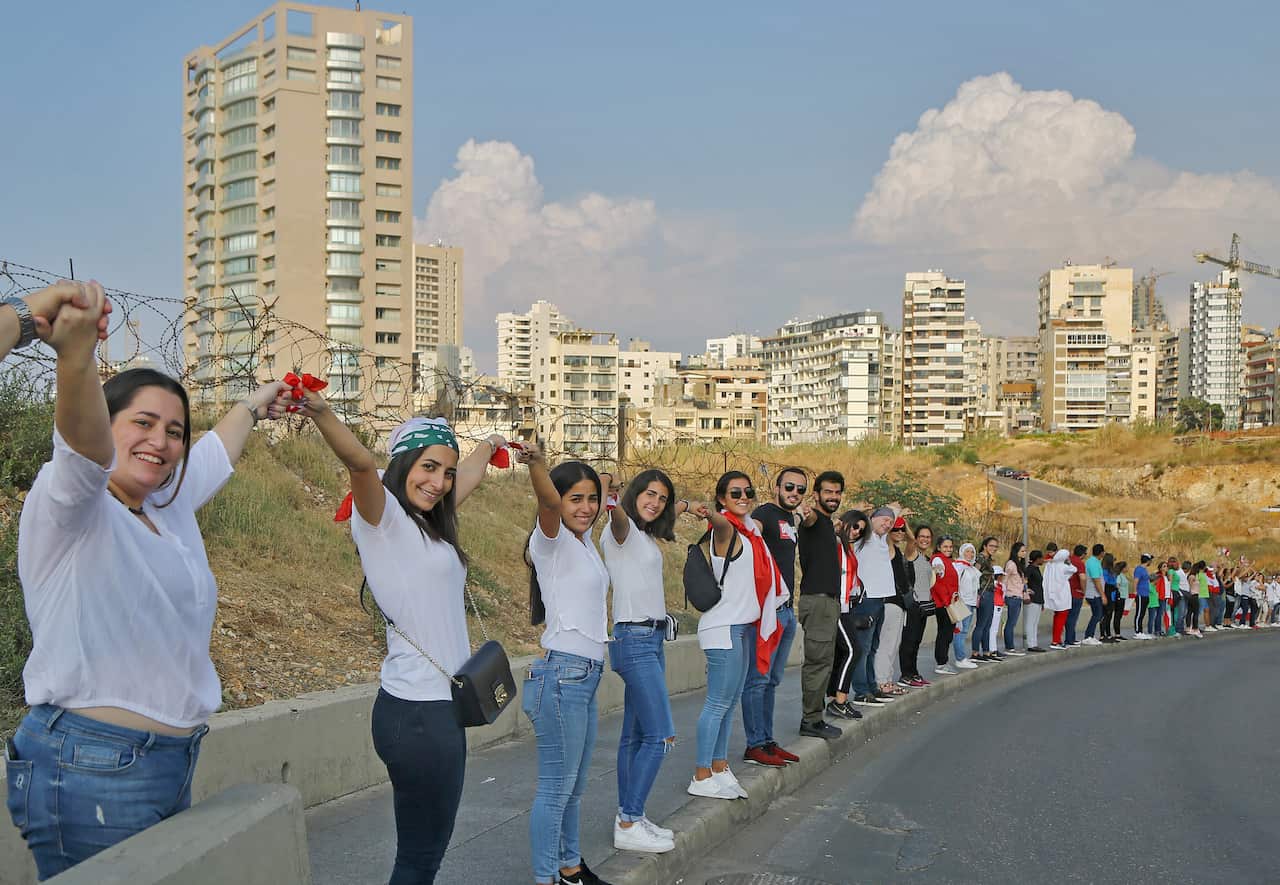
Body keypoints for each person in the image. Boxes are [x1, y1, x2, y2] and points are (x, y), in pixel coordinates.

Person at [10, 279, 288, 880]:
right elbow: (82, 449)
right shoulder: (73, 501)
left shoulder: (170, 507)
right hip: (87, 766)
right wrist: (75, 357)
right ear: (104, 422)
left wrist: (259, 401)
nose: (160, 442)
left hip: (167, 762)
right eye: (142, 423)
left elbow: (220, 447)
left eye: (174, 431)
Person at [303, 391, 505, 883]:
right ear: (403, 464)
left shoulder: (427, 522)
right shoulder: (384, 520)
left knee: (421, 854)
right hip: (420, 715)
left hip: (428, 708)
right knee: (419, 859)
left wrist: (491, 444)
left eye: (446, 472)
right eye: (428, 467)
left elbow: (469, 476)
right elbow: (358, 464)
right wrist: (321, 411)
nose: (438, 483)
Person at [521, 449, 612, 885]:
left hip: (585, 677)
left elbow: (601, 487)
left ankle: (571, 868)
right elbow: (548, 503)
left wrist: (602, 484)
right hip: (563, 678)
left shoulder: (584, 543)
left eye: (592, 499)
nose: (587, 507)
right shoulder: (550, 541)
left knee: (573, 788)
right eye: (576, 499)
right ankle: (545, 878)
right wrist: (538, 465)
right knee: (556, 790)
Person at [598, 470, 680, 853]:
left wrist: (684, 506)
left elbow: (664, 512)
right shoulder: (623, 529)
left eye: (662, 498)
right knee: (660, 736)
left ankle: (630, 815)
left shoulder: (643, 536)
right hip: (634, 640)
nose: (656, 502)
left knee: (633, 737)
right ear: (634, 494)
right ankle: (629, 820)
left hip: (652, 639)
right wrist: (610, 497)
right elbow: (615, 518)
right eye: (650, 494)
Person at [688, 472, 782, 802]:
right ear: (722, 499)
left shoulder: (752, 532)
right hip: (723, 628)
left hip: (741, 628)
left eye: (748, 491)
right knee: (716, 704)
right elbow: (720, 523)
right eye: (735, 492)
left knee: (728, 706)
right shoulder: (726, 529)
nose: (744, 496)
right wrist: (701, 511)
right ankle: (701, 774)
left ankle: (718, 767)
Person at [741, 468, 805, 767]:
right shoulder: (765, 514)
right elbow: (748, 531)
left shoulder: (790, 519)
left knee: (771, 681)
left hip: (786, 611)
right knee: (758, 680)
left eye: (801, 489)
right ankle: (754, 744)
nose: (794, 492)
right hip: (767, 612)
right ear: (776, 487)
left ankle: (766, 740)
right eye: (789, 486)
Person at [796, 471, 846, 740]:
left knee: (824, 661)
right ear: (816, 494)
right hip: (817, 601)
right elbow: (809, 519)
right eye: (828, 492)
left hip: (827, 602)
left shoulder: (827, 523)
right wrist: (806, 513)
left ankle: (815, 716)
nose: (833, 497)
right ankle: (811, 720)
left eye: (837, 492)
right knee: (817, 663)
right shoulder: (814, 520)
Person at [852, 506, 902, 701]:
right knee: (862, 649)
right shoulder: (865, 536)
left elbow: (892, 515)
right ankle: (861, 691)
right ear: (872, 519)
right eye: (883, 520)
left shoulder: (882, 539)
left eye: (890, 522)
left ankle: (872, 686)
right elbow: (851, 524)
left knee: (873, 648)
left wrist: (895, 513)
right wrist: (861, 513)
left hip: (881, 600)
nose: (887, 524)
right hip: (866, 599)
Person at [827, 510, 869, 715]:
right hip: (835, 606)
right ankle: (839, 702)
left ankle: (836, 698)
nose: (856, 532)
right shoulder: (834, 542)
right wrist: (835, 527)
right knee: (854, 650)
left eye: (860, 530)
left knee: (843, 652)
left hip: (846, 606)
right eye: (854, 526)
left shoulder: (848, 548)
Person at [875, 514, 913, 696]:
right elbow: (883, 534)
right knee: (887, 644)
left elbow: (912, 541)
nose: (900, 532)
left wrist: (905, 524)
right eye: (895, 529)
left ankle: (886, 680)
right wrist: (893, 518)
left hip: (899, 604)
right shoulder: (886, 548)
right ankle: (882, 682)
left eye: (902, 529)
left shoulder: (897, 550)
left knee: (893, 644)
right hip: (890, 602)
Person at [898, 523, 936, 686]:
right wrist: (905, 524)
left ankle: (914, 673)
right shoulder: (911, 553)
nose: (925, 539)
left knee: (916, 641)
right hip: (912, 605)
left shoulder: (926, 558)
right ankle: (905, 674)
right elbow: (911, 540)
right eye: (922, 536)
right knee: (909, 641)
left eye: (928, 537)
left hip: (924, 606)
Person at [930, 536, 961, 675]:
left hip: (951, 601)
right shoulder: (938, 559)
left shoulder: (950, 561)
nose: (948, 549)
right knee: (944, 634)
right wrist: (946, 601)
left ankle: (943, 662)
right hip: (944, 603)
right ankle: (941, 663)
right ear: (939, 547)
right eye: (945, 547)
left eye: (950, 547)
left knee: (948, 634)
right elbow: (938, 574)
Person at [971, 537, 1001, 662]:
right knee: (981, 624)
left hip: (989, 593)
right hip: (983, 594)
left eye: (995, 546)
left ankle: (986, 652)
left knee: (987, 624)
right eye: (991, 546)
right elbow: (974, 573)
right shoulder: (981, 558)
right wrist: (977, 592)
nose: (993, 548)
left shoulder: (987, 559)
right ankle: (975, 652)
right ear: (984, 546)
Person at [953, 543, 980, 669]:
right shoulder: (959, 567)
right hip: (962, 602)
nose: (970, 554)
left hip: (971, 602)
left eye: (972, 552)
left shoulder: (971, 568)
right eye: (967, 551)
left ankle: (962, 657)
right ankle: (960, 658)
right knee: (960, 631)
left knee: (964, 631)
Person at [1044, 546, 1077, 650]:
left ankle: (1056, 639)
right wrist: (1068, 562)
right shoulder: (1063, 566)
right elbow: (1074, 569)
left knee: (1057, 617)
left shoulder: (1050, 565)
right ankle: (1056, 641)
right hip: (1062, 595)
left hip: (1053, 594)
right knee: (1061, 618)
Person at [1002, 542, 1028, 655]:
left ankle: (1010, 646)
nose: (1024, 553)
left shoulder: (1019, 564)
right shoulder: (1011, 564)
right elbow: (1004, 580)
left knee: (1013, 622)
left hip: (1018, 596)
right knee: (1011, 623)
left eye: (1025, 551)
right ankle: (1009, 647)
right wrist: (1003, 594)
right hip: (1012, 596)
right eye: (1022, 551)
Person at [1023, 550, 1047, 652]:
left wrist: (1042, 602)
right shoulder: (1030, 569)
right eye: (1041, 558)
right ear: (1037, 559)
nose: (1043, 560)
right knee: (1030, 622)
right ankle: (1030, 644)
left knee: (1035, 622)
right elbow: (1024, 580)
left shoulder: (1036, 569)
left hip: (1038, 599)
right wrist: (1026, 590)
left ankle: (1034, 642)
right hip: (1032, 599)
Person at [1083, 544, 1107, 645]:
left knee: (1097, 615)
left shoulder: (1095, 562)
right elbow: (1096, 580)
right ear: (1101, 553)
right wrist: (1103, 595)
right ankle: (1088, 636)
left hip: (1095, 593)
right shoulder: (1093, 563)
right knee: (1097, 615)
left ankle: (1090, 635)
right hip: (1094, 594)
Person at [1067, 544, 1088, 647]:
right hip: (1076, 593)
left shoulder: (1068, 560)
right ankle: (1070, 639)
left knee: (1067, 617)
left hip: (1066, 592)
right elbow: (1083, 578)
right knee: (1073, 617)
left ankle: (1069, 638)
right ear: (1083, 554)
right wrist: (1084, 591)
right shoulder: (1079, 563)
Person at [1133, 554, 1153, 639]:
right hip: (1140, 594)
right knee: (1139, 613)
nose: (1151, 562)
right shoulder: (1139, 569)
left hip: (1146, 594)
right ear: (1148, 560)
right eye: (1150, 560)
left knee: (1143, 613)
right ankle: (1137, 631)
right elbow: (1135, 581)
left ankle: (1140, 631)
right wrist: (1135, 591)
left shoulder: (1145, 570)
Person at [1112, 560, 1130, 640]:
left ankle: (1117, 633)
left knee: (1119, 616)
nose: (1128, 568)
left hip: (1123, 597)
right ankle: (1117, 634)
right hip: (1120, 598)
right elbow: (1117, 585)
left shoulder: (1122, 575)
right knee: (1117, 616)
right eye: (1126, 567)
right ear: (1122, 568)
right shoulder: (1119, 575)